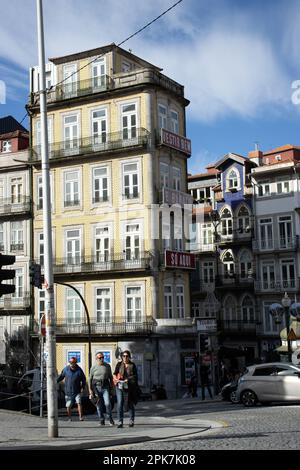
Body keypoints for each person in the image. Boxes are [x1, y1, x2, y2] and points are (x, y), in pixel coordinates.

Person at [113, 350, 139, 428]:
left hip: (129, 386)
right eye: (123, 356)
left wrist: (128, 379)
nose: (125, 357)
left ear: (129, 357)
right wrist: (116, 379)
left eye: (126, 356)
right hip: (120, 386)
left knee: (130, 403)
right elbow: (114, 373)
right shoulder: (119, 364)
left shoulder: (132, 365)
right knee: (120, 403)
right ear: (122, 357)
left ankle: (131, 420)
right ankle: (120, 421)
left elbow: (135, 376)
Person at [88, 352, 114, 426]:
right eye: (100, 358)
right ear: (96, 359)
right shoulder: (93, 367)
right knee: (98, 405)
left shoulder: (107, 366)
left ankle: (110, 419)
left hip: (105, 387)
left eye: (102, 357)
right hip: (96, 387)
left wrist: (112, 388)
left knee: (107, 403)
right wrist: (90, 390)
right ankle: (101, 419)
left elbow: (111, 378)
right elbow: (90, 379)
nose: (101, 359)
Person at [57, 357, 86, 421]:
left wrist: (83, 387)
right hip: (68, 391)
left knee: (79, 403)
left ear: (75, 363)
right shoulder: (66, 369)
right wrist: (55, 381)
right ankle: (69, 418)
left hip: (77, 390)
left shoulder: (79, 370)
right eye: (70, 362)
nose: (71, 364)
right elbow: (61, 376)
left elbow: (83, 379)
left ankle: (81, 417)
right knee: (68, 405)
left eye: (73, 362)